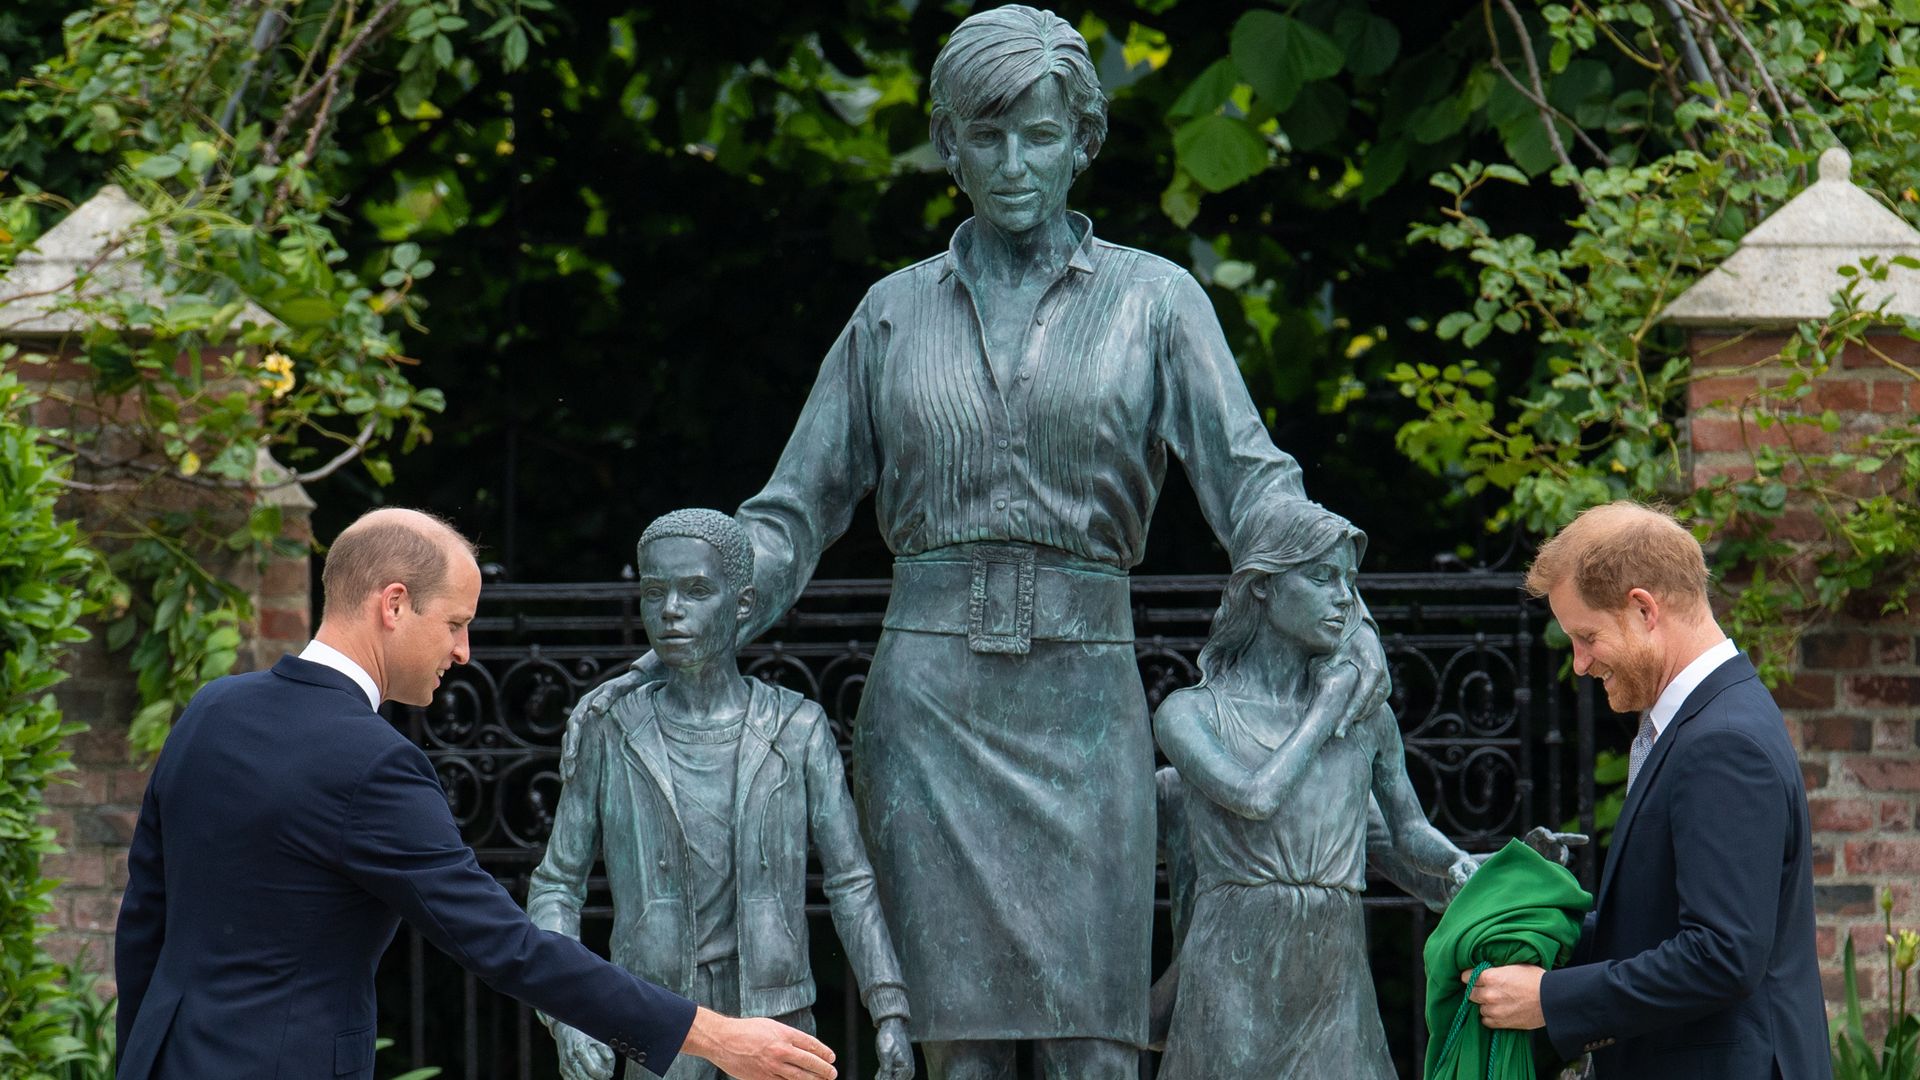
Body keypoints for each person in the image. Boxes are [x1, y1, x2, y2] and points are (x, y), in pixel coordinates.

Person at [574, 8, 1391, 1077]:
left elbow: (1254, 486)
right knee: (952, 1051)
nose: (1014, 165)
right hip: (930, 710)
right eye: (986, 136)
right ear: (948, 145)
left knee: (1095, 1046)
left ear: (1084, 141)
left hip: (1087, 702)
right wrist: (703, 614)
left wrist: (1347, 613)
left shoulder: (1158, 302)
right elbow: (792, 512)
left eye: (1040, 136)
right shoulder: (890, 314)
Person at [113, 507, 838, 1080]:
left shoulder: (212, 710)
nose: (463, 652)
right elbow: (507, 946)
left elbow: (146, 913)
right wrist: (712, 1034)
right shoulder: (374, 765)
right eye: (455, 623)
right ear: (393, 605)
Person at [528, 510, 913, 1080]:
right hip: (660, 1021)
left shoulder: (797, 729)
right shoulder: (611, 731)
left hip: (777, 1017)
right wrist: (566, 1014)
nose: (671, 610)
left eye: (696, 590)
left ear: (742, 604)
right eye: (654, 592)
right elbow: (557, 885)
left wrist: (889, 1010)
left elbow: (850, 883)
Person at [1468, 501, 1830, 1079]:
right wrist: (1542, 937)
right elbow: (1660, 927)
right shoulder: (1704, 719)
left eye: (1586, 636)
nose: (1580, 664)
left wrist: (1550, 1000)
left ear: (1643, 609)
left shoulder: (1723, 741)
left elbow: (1722, 956)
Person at [1152, 499, 1476, 1079]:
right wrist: (1326, 706)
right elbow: (1255, 798)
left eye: (1350, 581)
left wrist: (1478, 866)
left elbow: (1409, 834)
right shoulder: (1192, 713)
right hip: (1234, 964)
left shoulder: (1368, 719)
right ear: (1262, 588)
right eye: (1322, 577)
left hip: (1332, 966)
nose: (1344, 600)